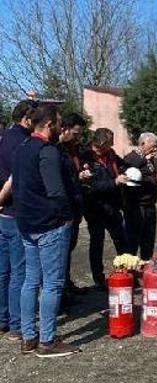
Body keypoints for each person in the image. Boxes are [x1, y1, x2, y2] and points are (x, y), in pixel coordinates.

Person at [12, 105, 80, 357]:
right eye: (59, 123)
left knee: (31, 281)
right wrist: (67, 217)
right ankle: (47, 340)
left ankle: (29, 336)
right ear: (49, 124)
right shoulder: (47, 151)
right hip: (49, 223)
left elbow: (18, 185)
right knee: (52, 283)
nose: (61, 128)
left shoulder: (22, 148)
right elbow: (56, 190)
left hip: (26, 222)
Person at [0, 100, 34, 341]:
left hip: (5, 213)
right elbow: (16, 175)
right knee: (18, 272)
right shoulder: (19, 141)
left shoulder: (5, 137)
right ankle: (16, 324)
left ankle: (2, 318)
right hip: (14, 211)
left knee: (4, 271)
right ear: (26, 119)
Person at [79, 128, 128, 290]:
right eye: (110, 142)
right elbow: (90, 186)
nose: (112, 145)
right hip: (95, 207)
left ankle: (124, 271)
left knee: (121, 239)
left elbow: (124, 165)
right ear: (101, 143)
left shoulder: (111, 155)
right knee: (97, 241)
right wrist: (114, 182)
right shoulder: (86, 158)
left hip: (113, 206)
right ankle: (98, 278)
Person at [57, 113, 86, 301]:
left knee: (69, 249)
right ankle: (61, 292)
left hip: (75, 207)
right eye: (75, 133)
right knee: (60, 252)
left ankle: (66, 283)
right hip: (65, 208)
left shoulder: (73, 149)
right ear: (65, 129)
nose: (78, 137)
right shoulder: (56, 150)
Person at [123, 132, 157, 261]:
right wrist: (145, 160)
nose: (155, 148)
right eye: (153, 145)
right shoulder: (132, 157)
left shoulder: (150, 158)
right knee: (133, 239)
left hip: (150, 204)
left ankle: (146, 266)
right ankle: (130, 268)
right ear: (143, 143)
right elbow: (127, 169)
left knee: (148, 239)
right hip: (136, 206)